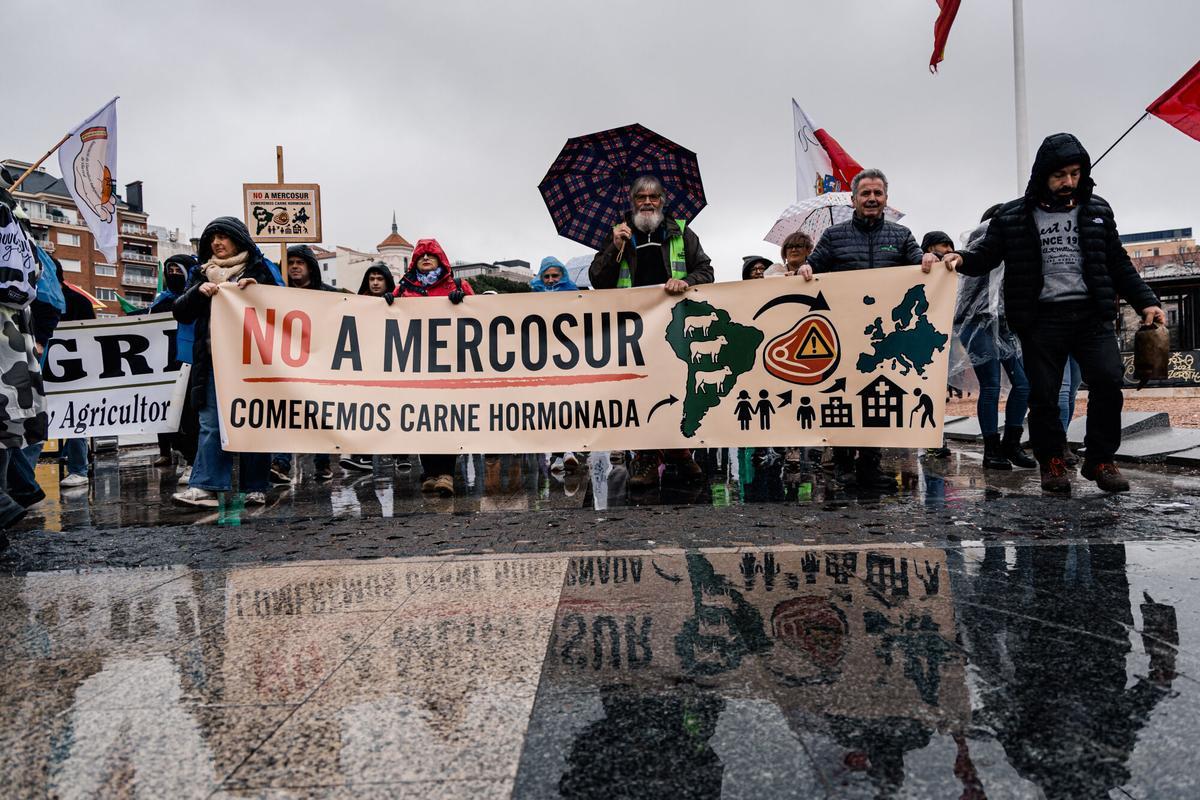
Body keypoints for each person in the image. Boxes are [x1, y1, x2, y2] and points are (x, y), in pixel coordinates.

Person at [934, 133, 1165, 493]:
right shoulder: (1013, 216)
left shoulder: (1097, 211)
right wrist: (960, 259)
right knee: (1043, 393)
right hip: (1040, 319)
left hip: (1092, 315)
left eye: (1075, 173)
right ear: (1043, 174)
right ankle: (1052, 460)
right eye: (1060, 175)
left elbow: (1118, 262)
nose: (1068, 182)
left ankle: (1101, 459)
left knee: (1107, 380)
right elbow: (987, 254)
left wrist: (1146, 301)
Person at [802, 168, 937, 490]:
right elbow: (815, 265)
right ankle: (844, 464)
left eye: (878, 193)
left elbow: (919, 263)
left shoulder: (901, 235)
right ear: (854, 199)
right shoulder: (834, 236)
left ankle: (871, 466)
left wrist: (930, 260)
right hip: (845, 332)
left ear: (886, 199)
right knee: (846, 396)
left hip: (885, 337)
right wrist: (807, 267)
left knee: (877, 396)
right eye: (866, 194)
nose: (872, 199)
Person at [589, 175, 714, 488]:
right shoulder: (617, 234)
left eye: (653, 197)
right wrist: (614, 249)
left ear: (663, 201)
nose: (647, 202)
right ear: (631, 202)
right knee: (638, 390)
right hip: (631, 331)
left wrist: (686, 282)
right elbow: (598, 281)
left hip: (674, 328)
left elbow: (706, 271)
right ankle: (645, 456)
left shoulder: (682, 234)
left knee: (673, 387)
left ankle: (676, 450)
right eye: (640, 197)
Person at [171, 217, 280, 508]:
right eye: (213, 238)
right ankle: (207, 487)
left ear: (239, 239)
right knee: (210, 424)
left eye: (223, 237)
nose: (217, 243)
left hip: (253, 363)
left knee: (254, 423)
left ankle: (255, 487)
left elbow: (282, 307)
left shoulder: (261, 270)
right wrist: (197, 292)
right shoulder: (200, 273)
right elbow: (180, 311)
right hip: (212, 361)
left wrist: (258, 291)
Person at [953, 209, 1036, 470]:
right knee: (990, 384)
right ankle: (992, 449)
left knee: (1022, 384)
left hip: (1002, 322)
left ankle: (1011, 443)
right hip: (977, 321)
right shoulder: (985, 237)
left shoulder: (1013, 241)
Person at [392, 238, 473, 496]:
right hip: (415, 364)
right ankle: (429, 471)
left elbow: (480, 314)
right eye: (421, 256)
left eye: (431, 255)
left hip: (450, 363)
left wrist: (465, 302)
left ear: (441, 260)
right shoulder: (404, 288)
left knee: (447, 418)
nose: (426, 259)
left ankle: (446, 473)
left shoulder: (457, 285)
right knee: (421, 418)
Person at [0, 188, 49, 535]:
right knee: (6, 425)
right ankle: (11, 496)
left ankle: (4, 503)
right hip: (15, 330)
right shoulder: (17, 217)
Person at [271, 245, 338, 485]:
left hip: (321, 364)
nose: (295, 267)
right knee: (285, 413)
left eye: (300, 262)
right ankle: (281, 462)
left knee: (320, 414)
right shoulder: (274, 294)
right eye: (290, 263)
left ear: (310, 266)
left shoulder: (329, 295)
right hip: (287, 365)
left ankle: (322, 463)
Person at [340, 262, 403, 473]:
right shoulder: (357, 303)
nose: (375, 283)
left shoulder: (400, 303)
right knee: (366, 409)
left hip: (393, 365)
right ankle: (364, 455)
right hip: (366, 365)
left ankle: (401, 453)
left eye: (380, 279)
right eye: (372, 279)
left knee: (396, 408)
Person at [143, 254, 197, 468]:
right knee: (163, 406)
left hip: (187, 359)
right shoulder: (161, 300)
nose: (174, 275)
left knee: (187, 411)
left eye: (178, 271)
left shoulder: (194, 296)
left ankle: (190, 455)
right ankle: (165, 450)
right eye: (170, 271)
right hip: (162, 363)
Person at [53, 258, 98, 488]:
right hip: (50, 372)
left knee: (74, 419)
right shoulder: (37, 302)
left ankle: (78, 468)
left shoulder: (77, 301)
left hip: (75, 372)